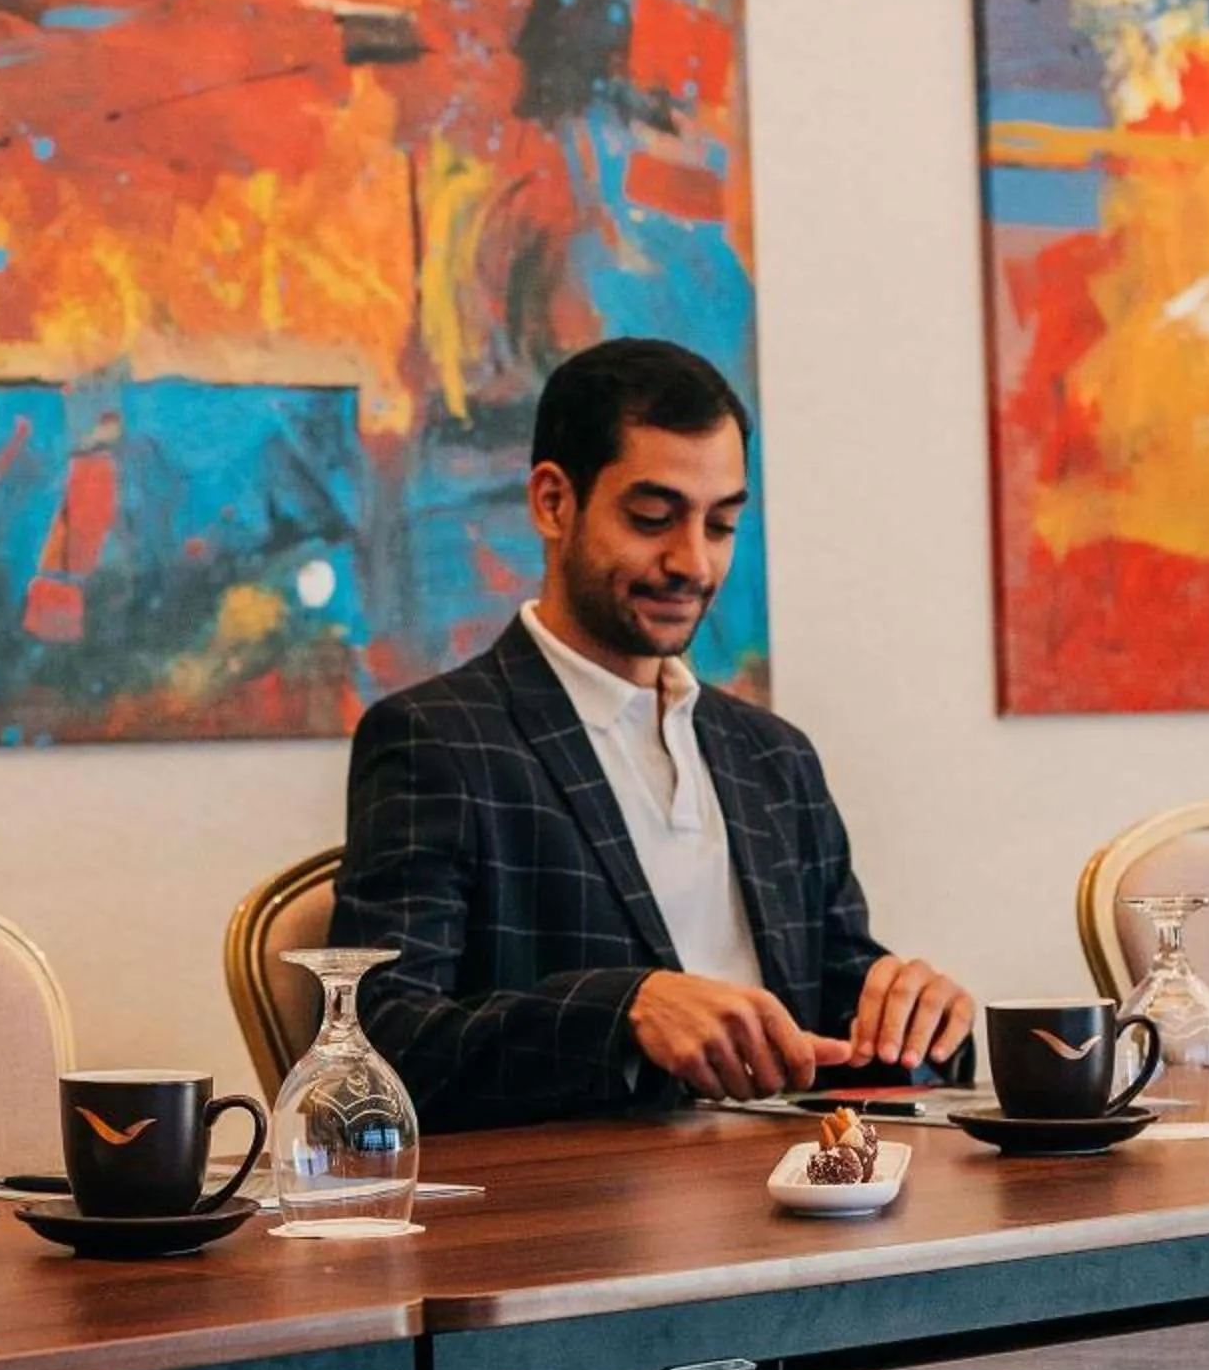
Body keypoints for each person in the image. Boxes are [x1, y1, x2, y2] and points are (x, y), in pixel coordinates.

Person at [329, 339, 974, 1129]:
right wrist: (624, 1012)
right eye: (652, 518)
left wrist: (914, 1020)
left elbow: (842, 1010)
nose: (693, 562)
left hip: (804, 1203)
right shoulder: (438, 740)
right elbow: (373, 1048)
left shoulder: (775, 757)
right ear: (553, 503)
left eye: (722, 525)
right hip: (585, 1225)